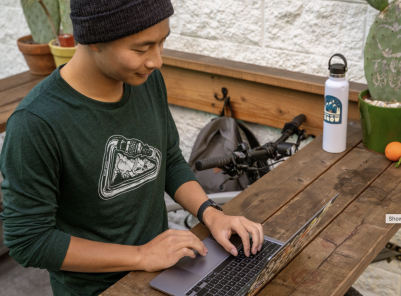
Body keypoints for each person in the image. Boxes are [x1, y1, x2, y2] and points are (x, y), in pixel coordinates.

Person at [0, 0, 264, 295]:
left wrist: (213, 215)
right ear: (94, 40)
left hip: (166, 272)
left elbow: (169, 160)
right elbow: (29, 241)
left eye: (162, 43)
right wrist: (141, 256)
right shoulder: (36, 122)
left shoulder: (146, 81)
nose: (156, 61)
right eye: (141, 49)